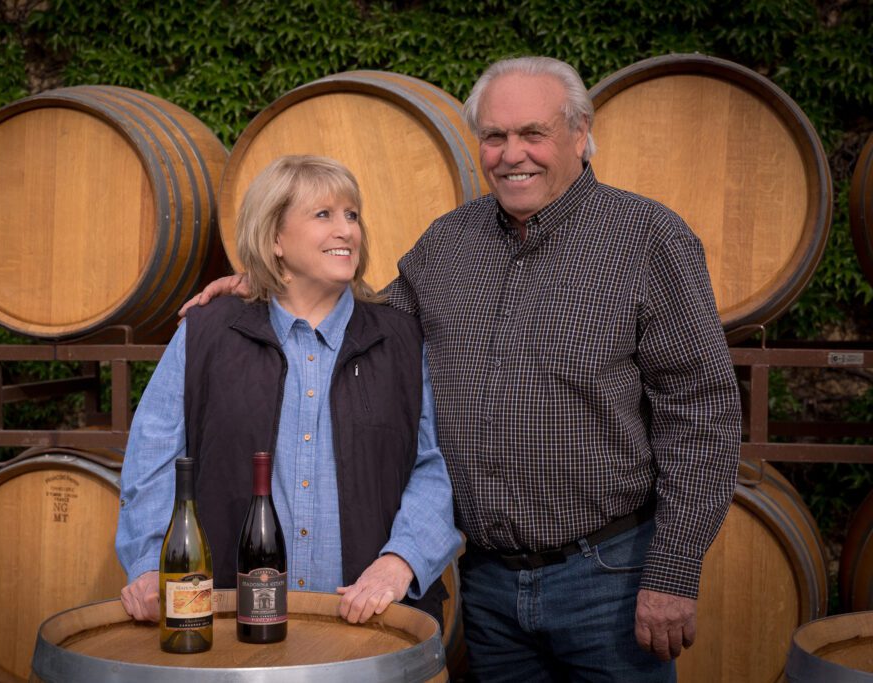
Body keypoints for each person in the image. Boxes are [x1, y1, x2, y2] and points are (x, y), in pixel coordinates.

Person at [183, 56, 741, 681]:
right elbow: (356, 322)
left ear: (580, 134)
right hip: (490, 589)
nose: (512, 154)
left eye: (533, 133)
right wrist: (263, 286)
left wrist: (673, 570)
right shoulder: (448, 244)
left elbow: (702, 414)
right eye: (495, 137)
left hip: (607, 578)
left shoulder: (648, 239)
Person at [117, 155, 462, 629]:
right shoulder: (207, 332)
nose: (346, 230)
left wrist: (400, 561)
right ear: (275, 238)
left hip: (368, 624)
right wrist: (150, 564)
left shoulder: (401, 337)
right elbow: (153, 458)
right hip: (229, 620)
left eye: (352, 215)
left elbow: (432, 467)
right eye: (323, 215)